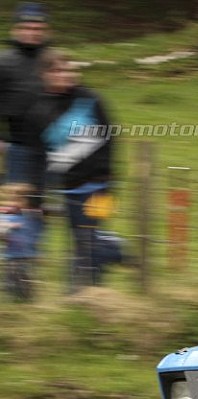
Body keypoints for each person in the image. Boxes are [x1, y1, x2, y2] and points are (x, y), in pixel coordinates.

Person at [25, 48, 115, 291]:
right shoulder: (37, 111)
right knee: (81, 238)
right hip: (68, 190)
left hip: (100, 186)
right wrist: (37, 196)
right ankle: (108, 259)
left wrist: (108, 177)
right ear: (44, 74)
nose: (65, 74)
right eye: (58, 70)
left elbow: (110, 139)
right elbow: (37, 156)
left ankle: (82, 291)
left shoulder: (91, 99)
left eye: (68, 69)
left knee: (89, 237)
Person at [0, 3, 49, 204]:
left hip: (50, 148)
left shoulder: (52, 61)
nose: (32, 33)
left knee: (40, 205)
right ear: (16, 30)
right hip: (17, 148)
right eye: (27, 28)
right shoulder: (4, 62)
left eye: (37, 29)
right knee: (15, 206)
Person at [0, 182, 43, 300]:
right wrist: (5, 230)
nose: (12, 203)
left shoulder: (31, 216)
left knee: (23, 276)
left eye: (17, 200)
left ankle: (25, 296)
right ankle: (15, 295)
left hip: (26, 254)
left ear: (27, 201)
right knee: (10, 276)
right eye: (10, 200)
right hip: (11, 254)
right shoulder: (6, 216)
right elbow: (3, 234)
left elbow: (36, 231)